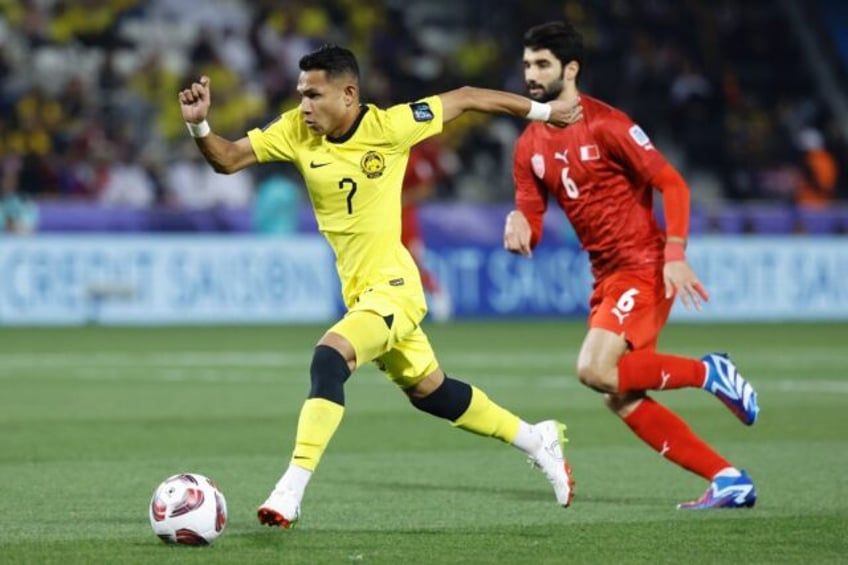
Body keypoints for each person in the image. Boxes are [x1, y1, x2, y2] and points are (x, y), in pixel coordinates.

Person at [178, 44, 583, 528]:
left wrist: (547, 112)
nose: (304, 105)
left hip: (394, 288)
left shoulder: (390, 128)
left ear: (349, 94)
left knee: (329, 359)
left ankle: (290, 490)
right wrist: (199, 125)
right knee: (431, 393)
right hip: (361, 293)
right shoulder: (294, 131)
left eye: (314, 95)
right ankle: (536, 439)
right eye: (300, 94)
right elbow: (227, 159)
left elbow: (469, 96)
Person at [503, 21, 760, 510]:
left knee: (594, 369)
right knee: (618, 392)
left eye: (542, 64)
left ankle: (710, 372)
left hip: (643, 265)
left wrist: (676, 253)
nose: (531, 74)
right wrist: (519, 225)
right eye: (527, 65)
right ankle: (728, 478)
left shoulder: (608, 124)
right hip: (606, 276)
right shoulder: (528, 146)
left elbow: (674, 185)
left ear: (570, 69)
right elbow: (532, 219)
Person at [401, 140, 453, 321]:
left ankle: (437, 293)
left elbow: (425, 188)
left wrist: (401, 199)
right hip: (382, 222)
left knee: (412, 262)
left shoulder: (412, 159)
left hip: (405, 222)